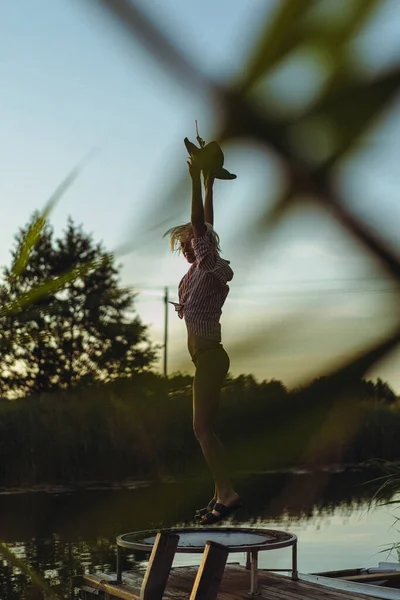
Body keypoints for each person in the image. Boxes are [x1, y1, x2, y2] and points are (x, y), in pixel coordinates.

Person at [164, 154, 241, 524]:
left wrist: (194, 177)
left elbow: (201, 226)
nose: (187, 248)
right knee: (206, 429)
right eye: (184, 245)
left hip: (211, 357)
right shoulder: (195, 274)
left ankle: (227, 493)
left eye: (189, 243)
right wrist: (210, 182)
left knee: (200, 429)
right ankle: (218, 495)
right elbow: (206, 223)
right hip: (207, 359)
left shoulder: (210, 268)